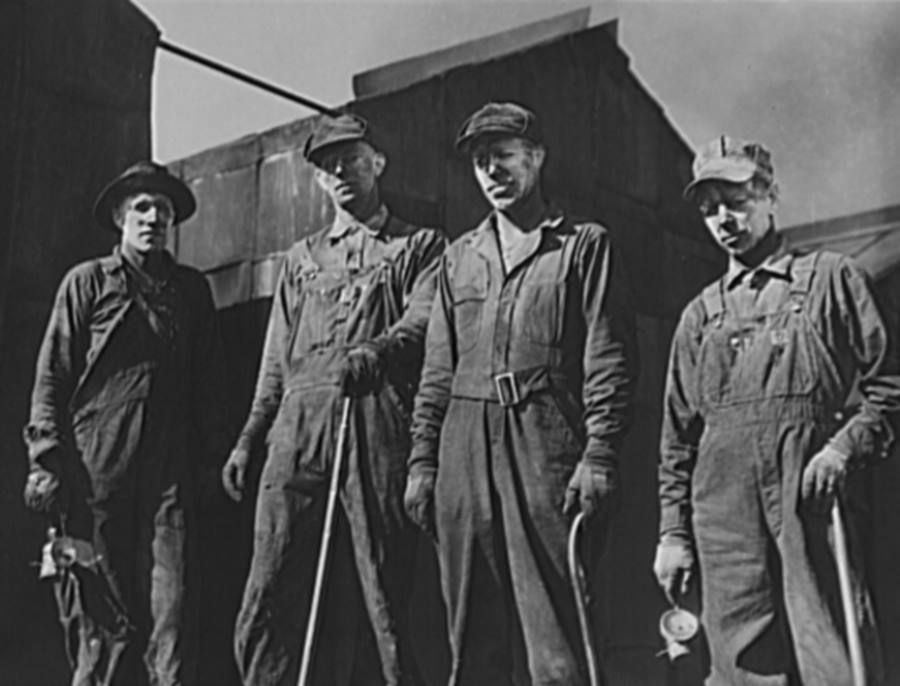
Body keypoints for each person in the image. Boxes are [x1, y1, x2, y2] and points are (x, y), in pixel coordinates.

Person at [653, 136, 900, 685]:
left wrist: (843, 448)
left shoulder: (832, 279)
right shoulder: (700, 316)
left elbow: (891, 386)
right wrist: (672, 533)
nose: (724, 218)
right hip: (722, 511)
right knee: (741, 665)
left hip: (809, 496)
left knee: (834, 653)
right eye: (710, 207)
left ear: (770, 195)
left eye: (736, 199)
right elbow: (677, 440)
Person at [404, 102, 636, 686]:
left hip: (545, 444)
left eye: (503, 156)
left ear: (536, 158)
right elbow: (437, 372)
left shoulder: (583, 245)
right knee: (471, 636)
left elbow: (608, 359)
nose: (491, 171)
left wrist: (599, 454)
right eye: (481, 161)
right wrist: (422, 463)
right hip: (463, 448)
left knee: (557, 636)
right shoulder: (457, 258)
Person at [222, 113, 445, 686]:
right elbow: (275, 362)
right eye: (328, 164)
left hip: (374, 418)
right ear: (319, 180)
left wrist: (380, 347)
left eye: (352, 156)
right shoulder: (300, 260)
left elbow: (423, 320)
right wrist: (251, 436)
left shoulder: (419, 246)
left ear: (379, 163)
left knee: (386, 592)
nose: (341, 169)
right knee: (268, 588)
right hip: (296, 428)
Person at [23, 161, 229, 685]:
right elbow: (53, 374)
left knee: (174, 610)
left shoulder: (190, 290)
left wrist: (213, 459)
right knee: (100, 616)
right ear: (119, 217)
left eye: (163, 209)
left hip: (170, 476)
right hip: (96, 472)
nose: (154, 217)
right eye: (141, 206)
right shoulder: (87, 282)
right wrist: (45, 462)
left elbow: (209, 384)